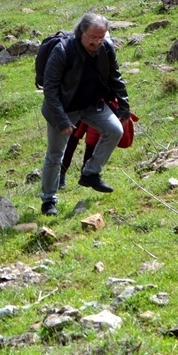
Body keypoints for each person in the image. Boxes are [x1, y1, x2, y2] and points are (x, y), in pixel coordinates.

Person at [39, 12, 131, 216]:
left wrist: (124, 108)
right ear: (81, 32)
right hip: (64, 108)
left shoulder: (106, 48)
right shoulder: (63, 50)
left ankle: (91, 172)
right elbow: (50, 89)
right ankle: (48, 200)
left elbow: (116, 77)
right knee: (55, 155)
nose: (97, 42)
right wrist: (62, 120)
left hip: (91, 104)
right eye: (93, 37)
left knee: (114, 130)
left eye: (101, 37)